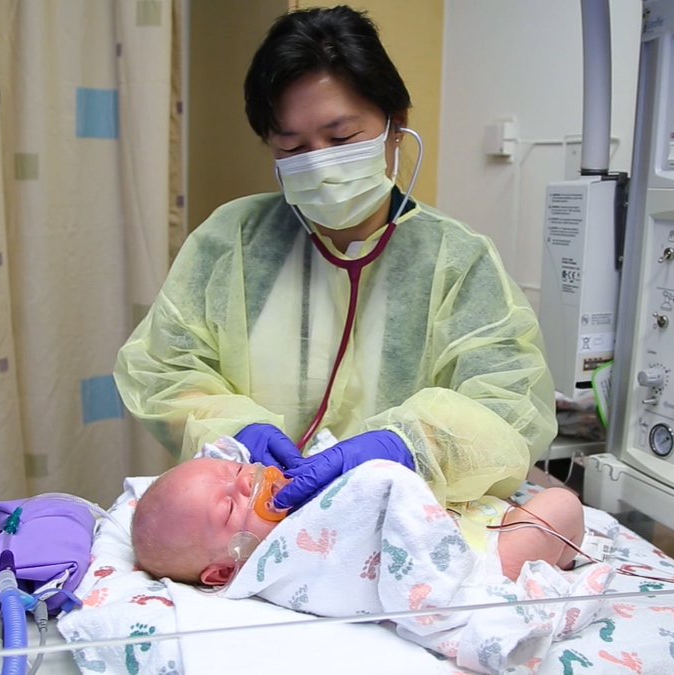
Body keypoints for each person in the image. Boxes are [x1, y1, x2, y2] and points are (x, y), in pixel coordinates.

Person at [114, 5, 556, 513]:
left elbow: (509, 409)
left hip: (399, 515)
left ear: (396, 125)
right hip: (258, 512)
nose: (319, 162)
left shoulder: (457, 263)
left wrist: (409, 447)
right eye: (292, 147)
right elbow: (164, 370)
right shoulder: (232, 240)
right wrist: (237, 428)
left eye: (342, 139)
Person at [131, 456, 585, 586]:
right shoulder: (280, 564)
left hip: (461, 520)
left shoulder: (300, 491)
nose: (248, 482)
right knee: (560, 505)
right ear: (224, 570)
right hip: (468, 566)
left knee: (522, 504)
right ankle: (529, 571)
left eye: (237, 470)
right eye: (230, 507)